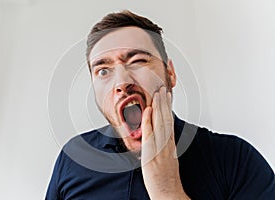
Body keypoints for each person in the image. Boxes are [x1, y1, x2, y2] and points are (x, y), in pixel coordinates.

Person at [46, 10, 275, 200]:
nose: (122, 82)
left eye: (137, 61)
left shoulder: (235, 159)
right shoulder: (72, 158)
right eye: (103, 71)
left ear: (170, 74)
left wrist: (167, 191)